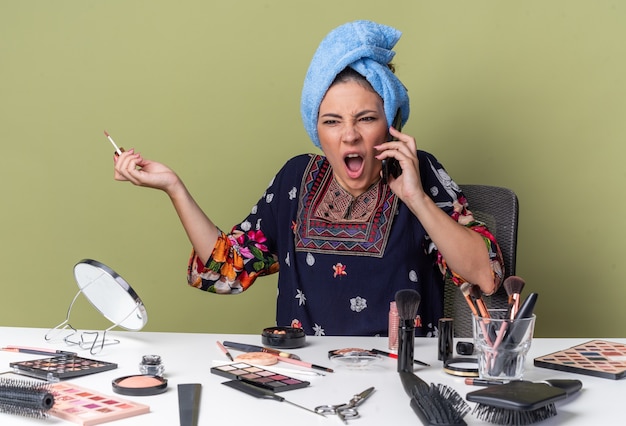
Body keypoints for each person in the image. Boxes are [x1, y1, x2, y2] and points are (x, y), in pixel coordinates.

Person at [114, 20, 503, 337]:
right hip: (304, 380)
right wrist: (174, 187)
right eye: (332, 122)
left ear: (390, 123)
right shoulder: (296, 179)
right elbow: (226, 271)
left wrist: (417, 200)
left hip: (400, 377)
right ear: (318, 132)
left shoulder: (418, 170)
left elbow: (487, 277)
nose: (349, 135)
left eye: (366, 119)